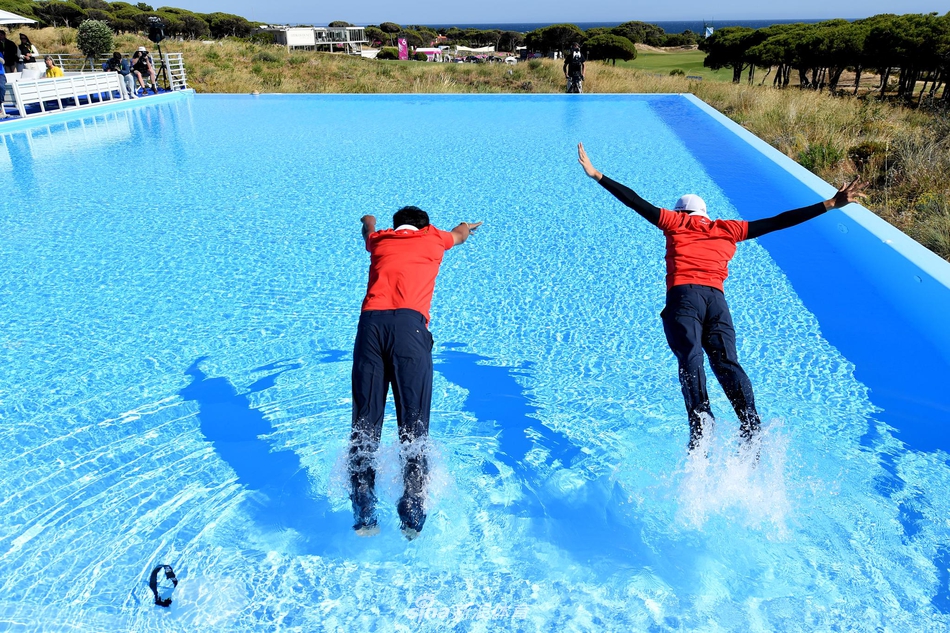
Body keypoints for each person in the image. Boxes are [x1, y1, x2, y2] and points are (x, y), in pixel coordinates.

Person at [576, 142, 866, 451]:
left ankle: (702, 421)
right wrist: (830, 204)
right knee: (727, 362)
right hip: (717, 302)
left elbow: (636, 201)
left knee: (691, 359)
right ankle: (749, 421)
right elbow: (779, 221)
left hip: (685, 297)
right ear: (704, 214)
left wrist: (597, 174)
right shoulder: (728, 229)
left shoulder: (675, 222)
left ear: (681, 212)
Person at [350, 207, 481, 539]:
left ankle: (364, 511)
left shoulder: (380, 241)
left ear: (396, 227)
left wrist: (368, 220)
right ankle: (411, 512)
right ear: (424, 227)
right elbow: (460, 235)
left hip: (370, 327)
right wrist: (467, 225)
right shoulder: (433, 238)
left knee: (365, 421)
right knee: (414, 421)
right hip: (410, 330)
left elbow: (367, 232)